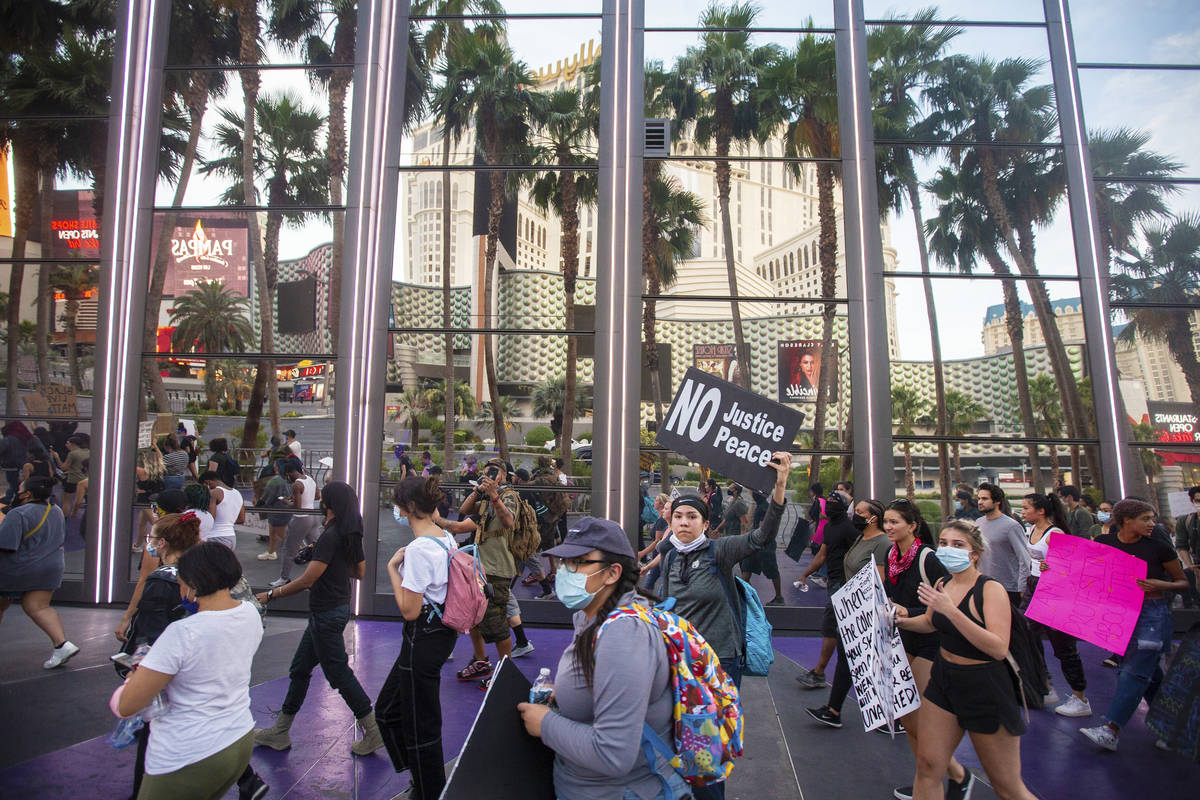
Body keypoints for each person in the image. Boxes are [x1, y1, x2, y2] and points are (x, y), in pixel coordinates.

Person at [516, 516, 691, 800]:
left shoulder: (625, 634)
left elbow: (614, 753)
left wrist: (545, 723)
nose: (564, 571)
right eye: (563, 563)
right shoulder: (590, 616)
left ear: (612, 573)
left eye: (578, 562)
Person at [111, 541, 265, 800]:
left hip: (188, 753)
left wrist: (133, 677)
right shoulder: (250, 614)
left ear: (193, 585)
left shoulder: (182, 633)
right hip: (238, 739)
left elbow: (127, 706)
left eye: (181, 582)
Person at [896, 519, 1037, 800]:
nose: (949, 549)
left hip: (985, 687)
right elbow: (929, 623)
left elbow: (997, 648)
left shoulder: (990, 589)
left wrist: (951, 611)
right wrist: (898, 619)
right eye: (944, 543)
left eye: (958, 545)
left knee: (1007, 787)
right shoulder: (942, 583)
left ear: (974, 553)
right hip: (944, 680)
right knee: (928, 766)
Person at [253, 481, 382, 756]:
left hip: (325, 614)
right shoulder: (348, 533)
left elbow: (307, 579)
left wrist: (270, 595)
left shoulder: (331, 536)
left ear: (329, 505)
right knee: (300, 669)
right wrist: (327, 560)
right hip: (332, 610)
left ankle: (373, 731)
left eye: (323, 498)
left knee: (338, 673)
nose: (319, 500)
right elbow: (358, 572)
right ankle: (280, 731)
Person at [651, 451, 791, 692]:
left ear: (706, 525)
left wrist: (780, 486)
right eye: (678, 517)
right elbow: (667, 605)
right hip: (680, 656)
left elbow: (762, 536)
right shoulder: (670, 556)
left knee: (721, 726)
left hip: (721, 658)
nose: (684, 522)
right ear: (671, 523)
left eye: (692, 516)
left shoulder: (720, 550)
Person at [1080, 498, 1189, 752]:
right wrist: (1050, 567)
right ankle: (1172, 727)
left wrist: (1162, 585)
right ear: (1127, 520)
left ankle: (1111, 730)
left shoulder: (1159, 548)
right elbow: (1084, 572)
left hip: (1153, 614)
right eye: (1146, 519)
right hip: (1120, 614)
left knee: (1135, 671)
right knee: (1150, 675)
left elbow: (1183, 581)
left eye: (1152, 518)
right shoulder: (1104, 543)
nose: (1152, 523)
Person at [375, 478, 460, 800]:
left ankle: (428, 790)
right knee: (388, 710)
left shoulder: (420, 549)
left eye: (398, 504)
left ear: (409, 507)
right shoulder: (445, 538)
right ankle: (422, 779)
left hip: (423, 634)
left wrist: (393, 570)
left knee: (419, 721)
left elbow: (409, 610)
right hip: (440, 634)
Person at [881, 499, 972, 800]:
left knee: (920, 715)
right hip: (905, 636)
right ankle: (930, 777)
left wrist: (906, 611)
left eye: (895, 522)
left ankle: (950, 774)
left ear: (913, 525)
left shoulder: (928, 559)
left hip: (930, 639)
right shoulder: (891, 554)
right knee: (907, 715)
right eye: (886, 521)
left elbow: (944, 606)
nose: (889, 527)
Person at [114, 510, 201, 798]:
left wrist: (136, 675)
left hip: (164, 676)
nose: (149, 544)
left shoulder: (160, 582)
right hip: (195, 672)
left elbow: (151, 641)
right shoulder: (199, 576)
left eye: (152, 538)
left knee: (153, 744)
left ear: (162, 543)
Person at [805, 499, 891, 727]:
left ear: (873, 517)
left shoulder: (882, 543)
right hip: (852, 609)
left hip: (867, 611)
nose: (856, 514)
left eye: (861, 512)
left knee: (868, 662)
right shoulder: (861, 538)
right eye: (856, 510)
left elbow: (880, 581)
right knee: (847, 659)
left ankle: (890, 713)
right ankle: (834, 710)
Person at [1020, 493, 1091, 717]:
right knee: (1025, 636)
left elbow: (1074, 567)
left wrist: (1053, 569)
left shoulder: (1055, 534)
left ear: (1041, 511)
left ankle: (1080, 698)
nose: (1022, 512)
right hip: (1033, 588)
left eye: (1026, 508)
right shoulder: (1030, 530)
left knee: (1063, 647)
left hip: (1055, 593)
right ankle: (1045, 686)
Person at [0, 476, 77, 670]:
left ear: (27, 493)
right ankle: (62, 645)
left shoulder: (18, 514)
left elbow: (6, 545)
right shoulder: (56, 511)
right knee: (39, 607)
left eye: (20, 487)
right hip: (51, 568)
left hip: (16, 570)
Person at [453, 458, 520, 681]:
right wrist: (478, 490)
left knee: (496, 622)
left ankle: (505, 673)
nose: (489, 474)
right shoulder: (484, 494)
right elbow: (464, 510)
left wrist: (494, 494)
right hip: (480, 568)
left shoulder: (509, 495)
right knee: (475, 616)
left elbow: (508, 521)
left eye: (495, 471)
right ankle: (481, 661)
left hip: (498, 570)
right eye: (486, 470)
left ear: (505, 475)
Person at [794, 493, 858, 690]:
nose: (828, 506)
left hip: (845, 584)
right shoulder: (829, 527)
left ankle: (821, 672)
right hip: (833, 582)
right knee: (832, 627)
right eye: (827, 503)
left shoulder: (850, 529)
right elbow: (822, 555)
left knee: (832, 627)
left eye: (833, 503)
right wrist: (805, 574)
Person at [975, 483, 1030, 605]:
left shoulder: (1011, 526)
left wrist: (1022, 587)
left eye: (985, 499)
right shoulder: (978, 523)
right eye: (979, 498)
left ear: (997, 501)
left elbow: (1024, 558)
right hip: (983, 584)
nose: (980, 502)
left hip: (1008, 588)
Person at [270, 458, 321, 588]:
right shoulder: (310, 479)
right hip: (313, 516)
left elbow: (297, 507)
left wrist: (286, 502)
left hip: (301, 518)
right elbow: (317, 496)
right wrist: (300, 497)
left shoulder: (296, 484)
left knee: (289, 550)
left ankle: (284, 578)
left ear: (289, 473)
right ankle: (319, 576)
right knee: (316, 549)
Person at [256, 452, 293, 562]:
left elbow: (267, 496)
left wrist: (260, 504)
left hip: (276, 510)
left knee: (281, 533)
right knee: (273, 532)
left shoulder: (275, 480)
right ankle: (271, 552)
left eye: (276, 465)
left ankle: (298, 551)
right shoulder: (289, 478)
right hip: (286, 509)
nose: (274, 466)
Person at [200, 470, 244, 551]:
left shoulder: (214, 493)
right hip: (231, 537)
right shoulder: (237, 493)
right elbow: (241, 519)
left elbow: (210, 518)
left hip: (215, 537)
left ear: (207, 483)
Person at [133, 447, 166, 553]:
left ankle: (159, 544)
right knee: (142, 522)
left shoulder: (141, 471)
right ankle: (138, 545)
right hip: (154, 499)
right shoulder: (160, 469)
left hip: (144, 501)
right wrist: (155, 446)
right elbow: (160, 456)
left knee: (155, 522)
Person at [54, 433, 90, 516]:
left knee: (67, 502)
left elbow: (63, 467)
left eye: (67, 443)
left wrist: (57, 458)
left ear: (73, 444)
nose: (66, 445)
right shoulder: (88, 452)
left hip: (72, 480)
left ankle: (64, 519)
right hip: (84, 479)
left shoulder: (72, 454)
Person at [1174, 486, 1200, 568]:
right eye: (1198, 501)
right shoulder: (1185, 521)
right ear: (1192, 501)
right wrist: (1190, 565)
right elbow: (1181, 545)